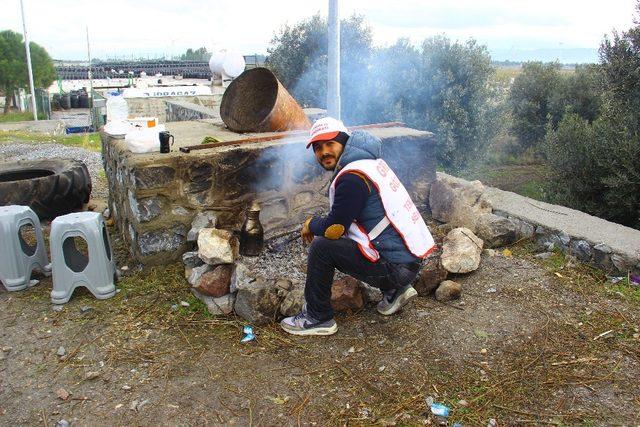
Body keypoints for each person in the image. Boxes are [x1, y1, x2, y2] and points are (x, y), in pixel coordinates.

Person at [280, 117, 436, 336]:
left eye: (329, 144)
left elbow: (335, 228)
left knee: (322, 246)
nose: (324, 151)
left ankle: (317, 317)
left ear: (344, 142)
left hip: (396, 268)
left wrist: (311, 224)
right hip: (409, 260)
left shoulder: (352, 178)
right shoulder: (369, 164)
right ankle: (395, 290)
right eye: (318, 147)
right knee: (348, 237)